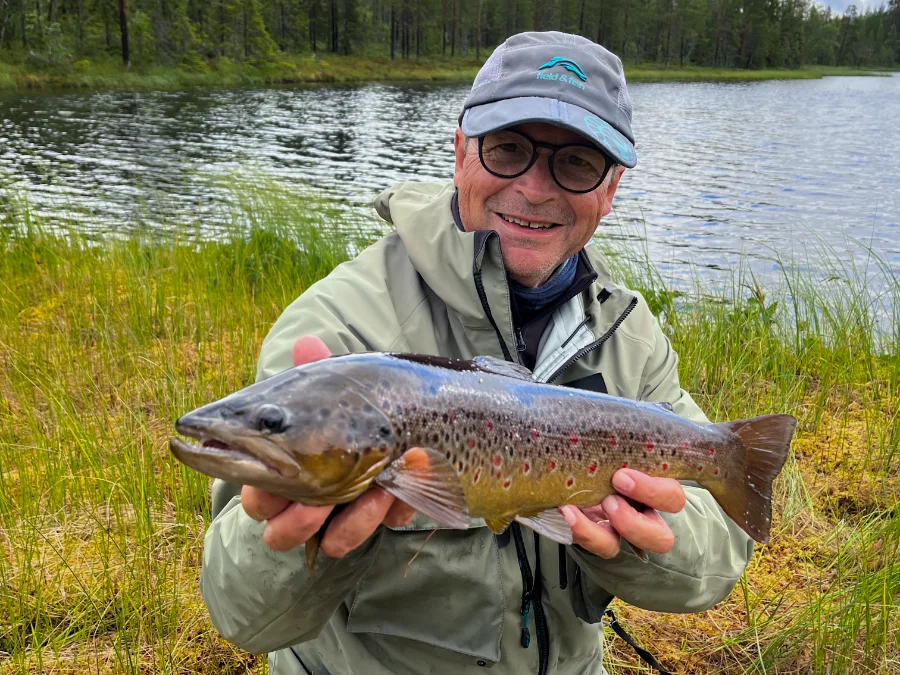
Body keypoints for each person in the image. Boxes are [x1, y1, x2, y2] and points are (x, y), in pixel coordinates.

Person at [199, 31, 753, 675]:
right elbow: (241, 616)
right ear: (461, 150)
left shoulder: (628, 336)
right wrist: (293, 541)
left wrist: (642, 542)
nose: (536, 188)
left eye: (576, 162)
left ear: (612, 186)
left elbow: (710, 571)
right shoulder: (339, 328)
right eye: (509, 149)